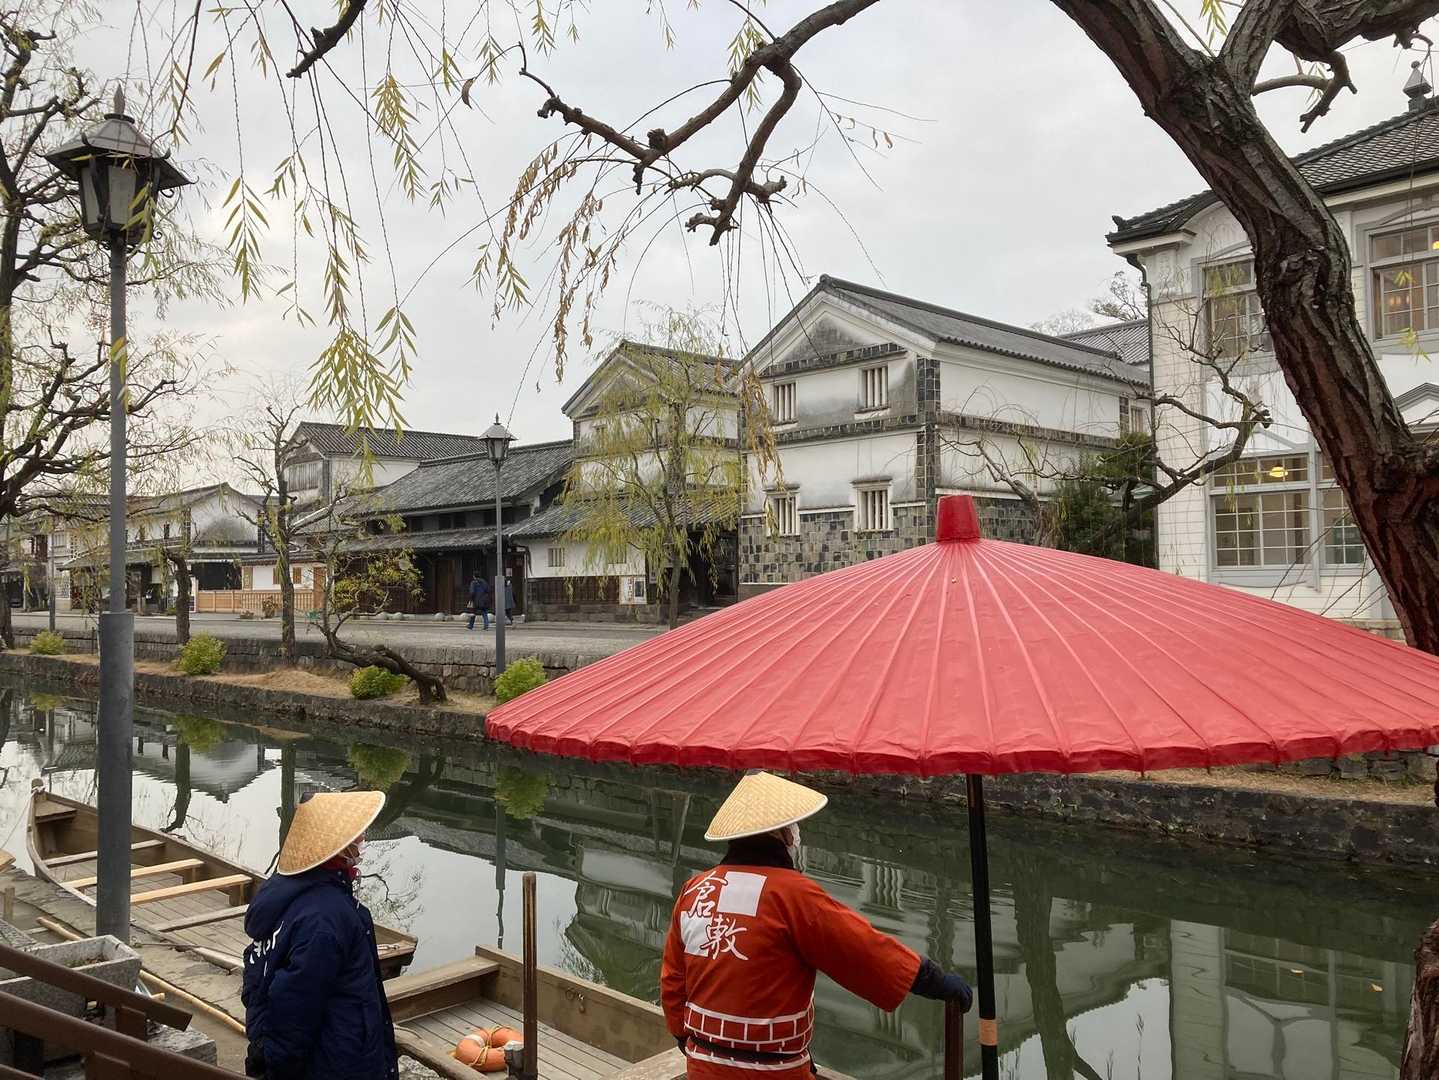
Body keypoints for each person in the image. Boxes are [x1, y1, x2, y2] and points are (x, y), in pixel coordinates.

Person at [661, 772, 971, 1079]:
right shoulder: (793, 895)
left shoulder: (695, 889)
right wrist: (933, 980)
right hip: (773, 1072)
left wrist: (683, 1035)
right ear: (782, 834)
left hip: (702, 1064)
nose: (796, 834)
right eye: (793, 827)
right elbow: (862, 950)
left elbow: (673, 979)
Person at [243, 791, 397, 1080]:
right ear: (340, 849)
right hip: (336, 1063)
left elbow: (257, 974)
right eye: (357, 836)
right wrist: (274, 1065)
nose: (363, 840)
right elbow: (294, 1005)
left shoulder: (283, 894)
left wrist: (262, 1043)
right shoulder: (326, 918)